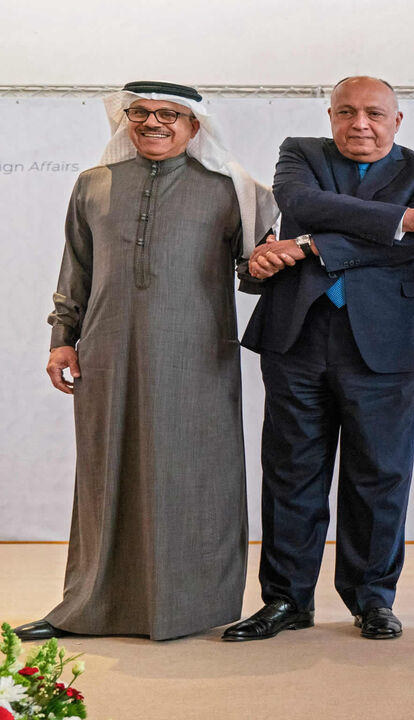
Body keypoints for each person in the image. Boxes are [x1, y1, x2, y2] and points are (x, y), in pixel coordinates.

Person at [17, 81, 275, 642]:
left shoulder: (235, 191)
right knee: (104, 475)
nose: (152, 122)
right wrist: (63, 338)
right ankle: (86, 605)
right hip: (106, 354)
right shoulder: (93, 185)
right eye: (140, 112)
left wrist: (265, 263)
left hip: (196, 356)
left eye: (168, 114)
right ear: (125, 119)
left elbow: (252, 278)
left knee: (192, 473)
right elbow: (76, 270)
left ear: (194, 126)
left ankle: (193, 607)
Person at [223, 76, 414, 642]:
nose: (361, 124)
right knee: (290, 473)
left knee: (380, 475)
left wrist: (310, 244)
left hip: (390, 342)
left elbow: (412, 244)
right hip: (299, 335)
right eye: (348, 112)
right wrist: (400, 218)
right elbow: (302, 203)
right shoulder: (301, 154)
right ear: (330, 116)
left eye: (375, 114)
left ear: (397, 121)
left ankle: (372, 599)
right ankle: (287, 600)